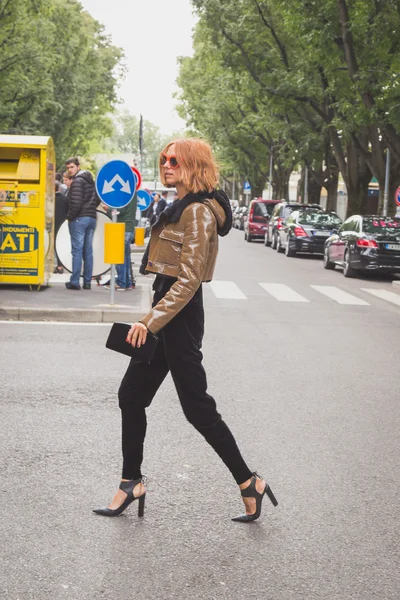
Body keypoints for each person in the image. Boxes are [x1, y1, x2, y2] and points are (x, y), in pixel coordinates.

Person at [93, 138, 278, 522]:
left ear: (193, 164)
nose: (167, 165)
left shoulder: (198, 212)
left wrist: (149, 322)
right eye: (164, 160)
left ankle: (249, 482)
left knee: (197, 409)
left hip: (179, 318)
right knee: (131, 396)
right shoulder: (179, 206)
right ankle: (131, 483)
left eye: (174, 160)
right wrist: (152, 316)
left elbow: (189, 280)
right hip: (166, 310)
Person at [65, 157, 98, 290]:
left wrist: (70, 217)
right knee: (88, 251)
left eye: (72, 167)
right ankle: (87, 282)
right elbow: (98, 198)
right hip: (91, 218)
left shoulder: (77, 181)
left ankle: (74, 281)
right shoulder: (91, 181)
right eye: (68, 168)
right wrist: (90, 208)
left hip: (79, 218)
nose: (70, 170)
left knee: (77, 251)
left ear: (78, 167)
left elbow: (76, 203)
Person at [105, 196, 137, 291]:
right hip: (129, 227)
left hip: (122, 227)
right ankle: (127, 282)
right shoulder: (132, 193)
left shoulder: (125, 194)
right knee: (126, 257)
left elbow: (119, 210)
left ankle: (121, 282)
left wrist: (108, 208)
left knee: (120, 257)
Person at [53, 181, 69, 273]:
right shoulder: (65, 199)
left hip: (52, 224)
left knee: (52, 245)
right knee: (60, 245)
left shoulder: (50, 199)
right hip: (62, 225)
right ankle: (60, 265)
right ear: (58, 188)